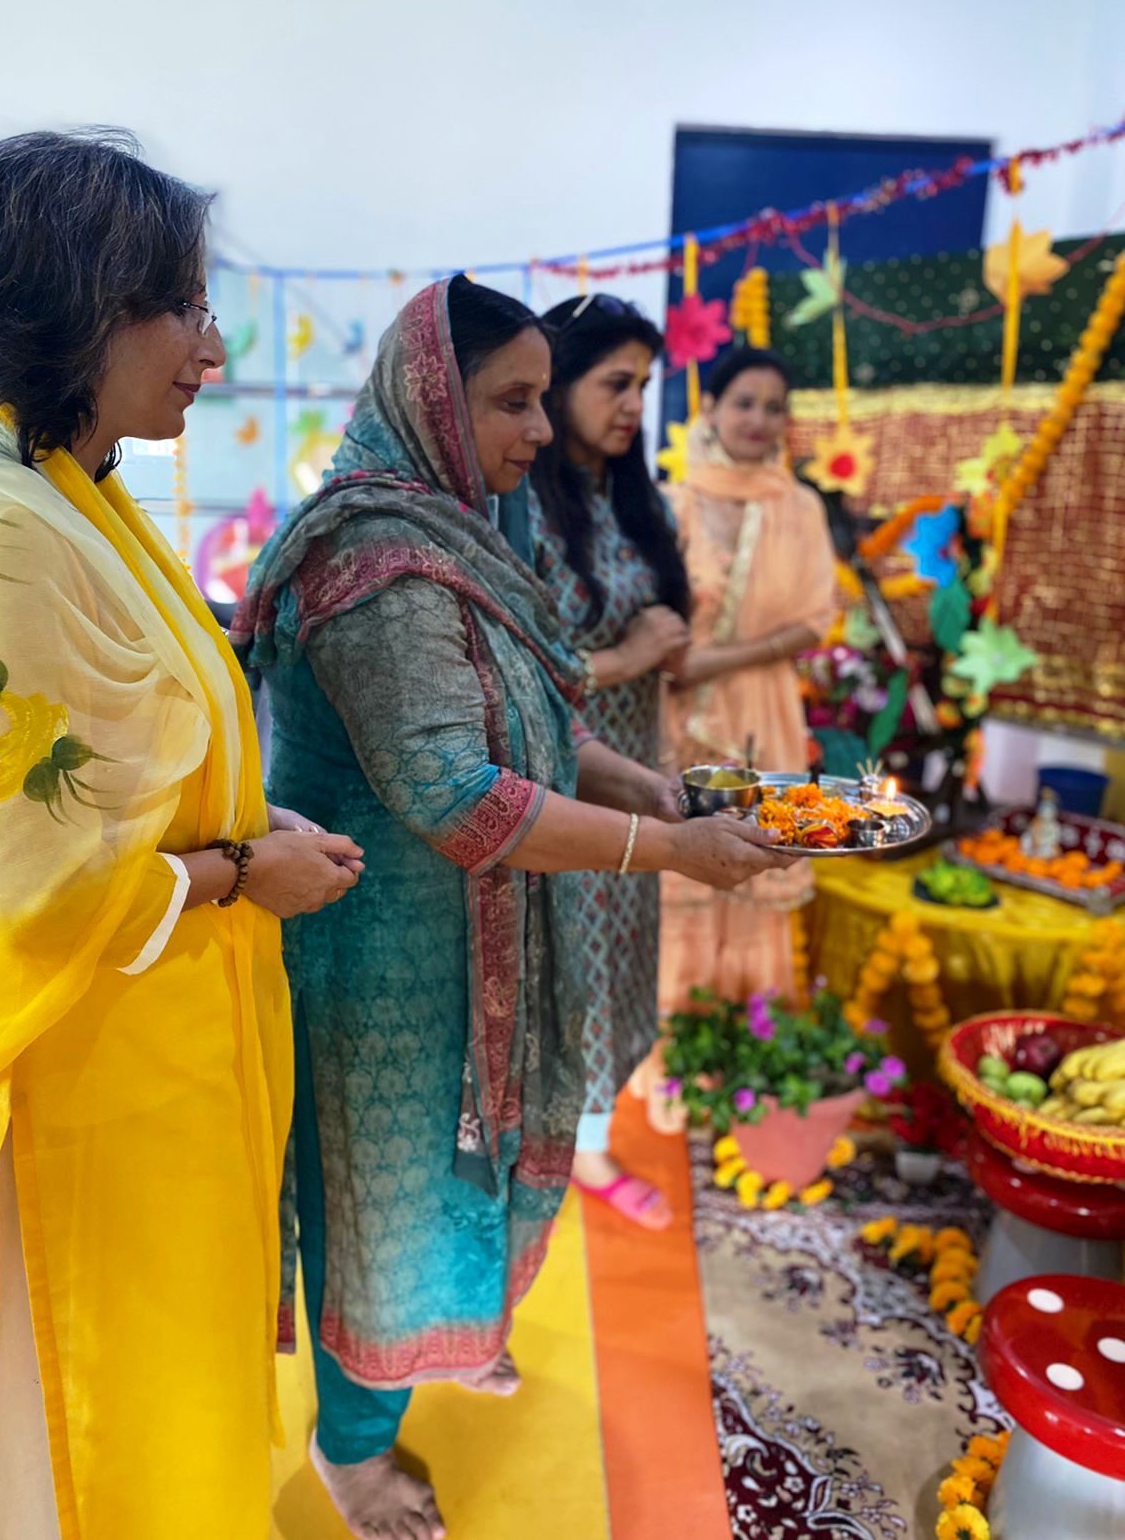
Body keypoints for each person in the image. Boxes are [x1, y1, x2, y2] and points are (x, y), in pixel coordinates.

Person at [233, 276, 788, 1540]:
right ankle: (351, 1447)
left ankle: (448, 1336)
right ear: (434, 398)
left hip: (475, 929)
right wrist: (670, 846)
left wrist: (639, 782)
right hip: (379, 952)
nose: (541, 428)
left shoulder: (467, 529)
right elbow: (457, 796)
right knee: (385, 1206)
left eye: (545, 398)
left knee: (462, 1183)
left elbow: (532, 713)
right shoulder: (371, 561)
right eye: (512, 400)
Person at [0, 131, 359, 1540]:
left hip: (158, 1027)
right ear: (69, 301)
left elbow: (136, 761)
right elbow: (28, 889)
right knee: (83, 1418)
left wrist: (248, 818)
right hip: (79, 1070)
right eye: (176, 305)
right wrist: (241, 869)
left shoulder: (72, 491)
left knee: (173, 1365)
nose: (211, 347)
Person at [528, 293, 689, 1229]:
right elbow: (517, 674)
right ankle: (568, 1149)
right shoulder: (522, 507)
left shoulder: (634, 498)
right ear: (558, 384)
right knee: (574, 969)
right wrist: (629, 657)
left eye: (644, 387)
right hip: (560, 780)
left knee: (623, 956)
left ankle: (592, 1133)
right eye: (615, 383)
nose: (633, 405)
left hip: (639, 767)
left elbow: (667, 630)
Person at [662, 346, 837, 1010]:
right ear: (709, 408)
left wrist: (712, 661)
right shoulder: (671, 504)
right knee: (684, 856)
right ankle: (677, 1044)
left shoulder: (801, 507)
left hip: (764, 710)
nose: (759, 420)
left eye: (774, 408)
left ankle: (749, 1041)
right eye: (744, 403)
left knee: (757, 858)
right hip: (676, 716)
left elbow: (815, 619)